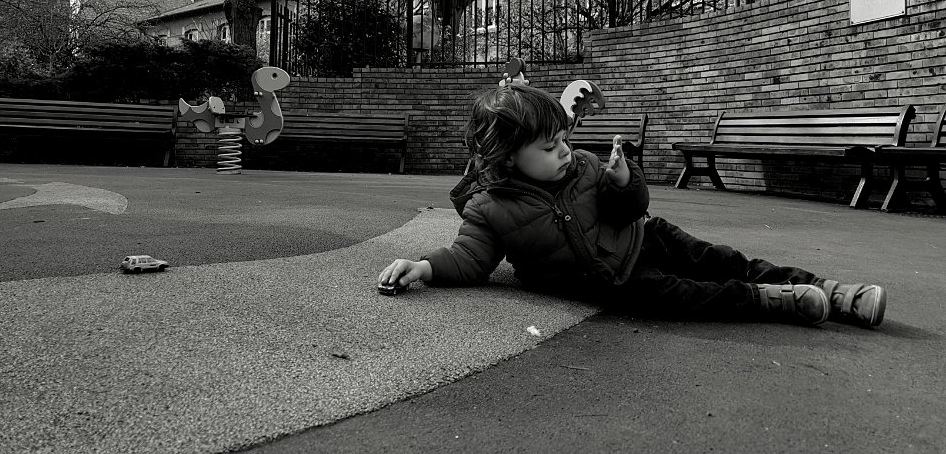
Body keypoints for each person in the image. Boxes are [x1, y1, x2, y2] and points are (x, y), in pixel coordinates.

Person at [378, 84, 886, 328]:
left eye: (564, 139)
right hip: (615, 279)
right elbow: (470, 258)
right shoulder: (488, 208)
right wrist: (423, 267)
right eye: (550, 146)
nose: (564, 151)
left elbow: (630, 205)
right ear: (509, 156)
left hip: (648, 234)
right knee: (687, 297)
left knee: (722, 259)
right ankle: (774, 301)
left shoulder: (583, 166)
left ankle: (829, 289)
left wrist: (624, 180)